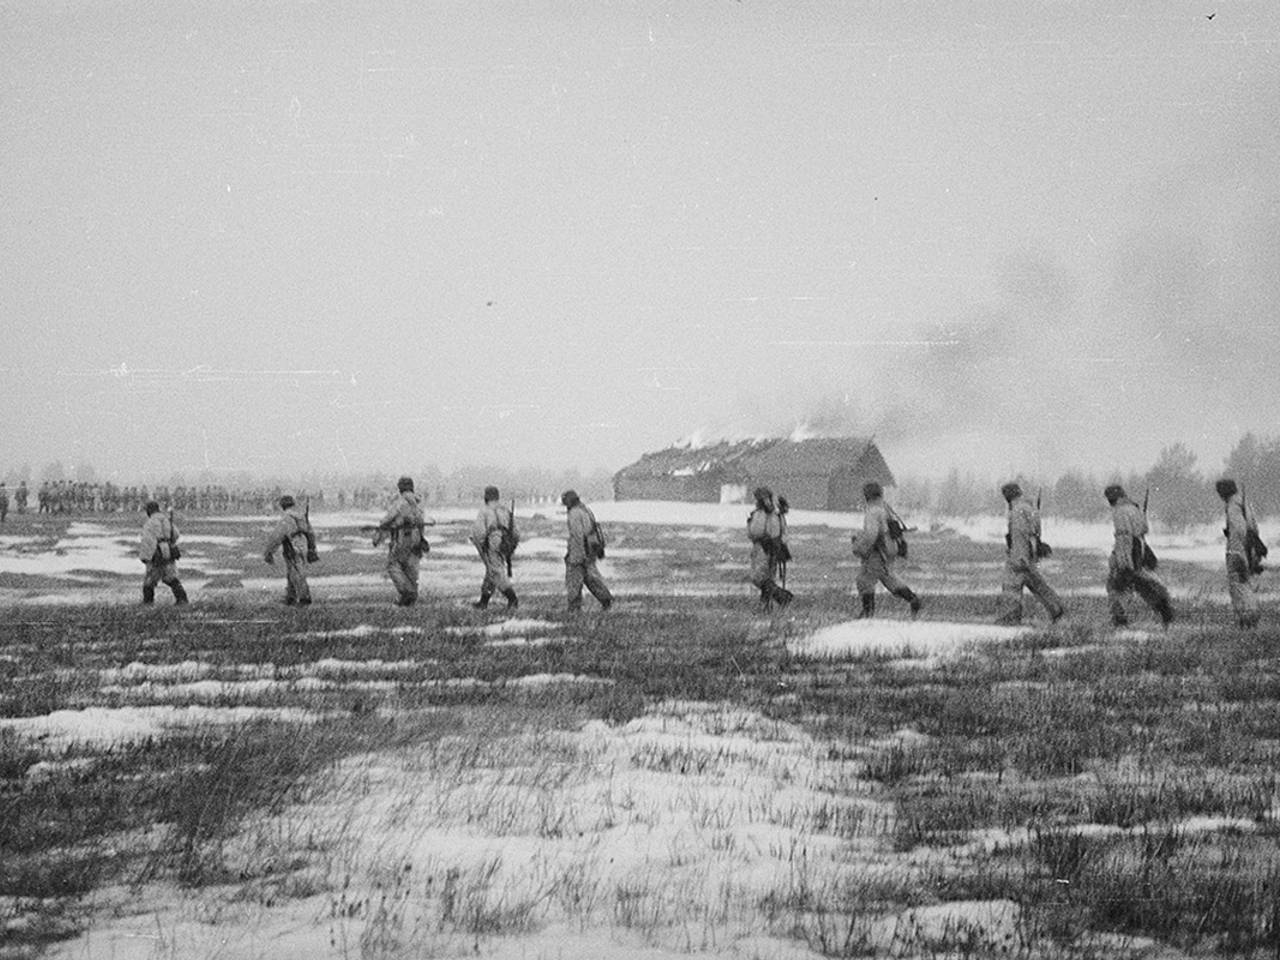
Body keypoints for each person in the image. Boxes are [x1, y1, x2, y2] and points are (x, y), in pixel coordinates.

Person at [1104, 483, 1174, 628]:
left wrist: (1123, 560)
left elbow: (1124, 536)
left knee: (1115, 585)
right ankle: (1163, 608)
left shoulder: (1120, 511)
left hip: (1128, 550)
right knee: (1142, 584)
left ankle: (1119, 619)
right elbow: (1144, 529)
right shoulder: (1133, 508)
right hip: (1139, 548)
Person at [995, 482, 1064, 625]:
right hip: (1030, 553)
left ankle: (1009, 619)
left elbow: (1020, 534)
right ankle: (1058, 610)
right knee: (1038, 585)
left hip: (1020, 555)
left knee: (1011, 587)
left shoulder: (1018, 511)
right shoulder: (1029, 508)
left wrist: (1019, 557)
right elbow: (1034, 533)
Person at [851, 481, 921, 619]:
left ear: (867, 495)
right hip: (889, 549)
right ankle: (913, 600)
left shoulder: (872, 511)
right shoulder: (885, 508)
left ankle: (867, 614)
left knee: (864, 580)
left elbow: (872, 534)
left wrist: (859, 548)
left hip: (878, 552)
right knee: (888, 577)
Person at [372, 476, 428, 606]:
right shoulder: (419, 504)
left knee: (393, 566)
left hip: (402, 540)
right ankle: (411, 598)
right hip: (417, 540)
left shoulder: (400, 503)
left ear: (400, 489)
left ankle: (407, 593)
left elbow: (386, 521)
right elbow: (422, 524)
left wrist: (377, 538)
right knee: (411, 570)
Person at [1216, 478, 1262, 628]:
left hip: (1237, 551)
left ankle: (1247, 618)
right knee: (1245, 584)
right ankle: (1250, 617)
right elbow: (1253, 528)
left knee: (1238, 585)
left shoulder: (1233, 506)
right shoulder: (1244, 503)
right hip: (1247, 550)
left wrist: (1235, 549)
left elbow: (1239, 530)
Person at [561, 490, 612, 611]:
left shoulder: (574, 513)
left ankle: (574, 607)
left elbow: (578, 535)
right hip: (591, 549)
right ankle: (606, 600)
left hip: (580, 551)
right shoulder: (586, 510)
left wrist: (577, 555)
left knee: (573, 579)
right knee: (591, 578)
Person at [470, 485, 518, 610]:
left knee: (496, 573)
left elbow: (479, 533)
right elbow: (516, 533)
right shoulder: (505, 510)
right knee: (491, 573)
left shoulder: (485, 511)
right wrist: (510, 547)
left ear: (486, 497)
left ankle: (512, 599)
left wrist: (481, 545)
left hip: (492, 543)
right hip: (505, 544)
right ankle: (483, 601)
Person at [746, 486, 793, 610]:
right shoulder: (777, 514)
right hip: (773, 549)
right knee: (767, 578)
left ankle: (782, 596)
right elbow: (783, 533)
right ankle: (765, 607)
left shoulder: (763, 514)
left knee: (758, 578)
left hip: (763, 548)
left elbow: (755, 532)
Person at [263, 494, 314, 606]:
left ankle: (304, 598)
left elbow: (276, 537)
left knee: (296, 574)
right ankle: (290, 597)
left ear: (282, 506)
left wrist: (269, 553)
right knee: (293, 573)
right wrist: (312, 549)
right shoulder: (300, 516)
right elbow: (310, 533)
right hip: (302, 546)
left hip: (292, 547)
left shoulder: (286, 519)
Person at [138, 500, 188, 605]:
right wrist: (169, 542)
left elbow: (147, 541)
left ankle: (148, 602)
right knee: (170, 577)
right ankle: (182, 599)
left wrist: (145, 557)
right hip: (169, 550)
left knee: (150, 579)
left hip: (156, 552)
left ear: (149, 511)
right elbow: (176, 534)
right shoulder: (166, 520)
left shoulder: (150, 523)